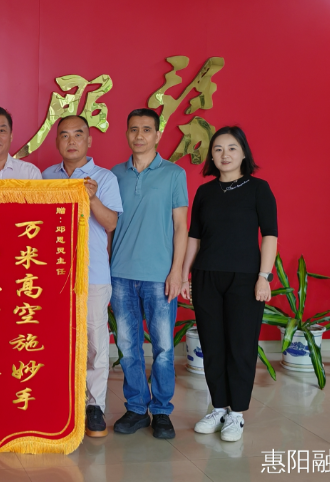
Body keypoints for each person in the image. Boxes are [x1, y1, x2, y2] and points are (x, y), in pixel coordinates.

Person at [180, 126, 277, 442]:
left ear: (244, 153)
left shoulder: (258, 189)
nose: (225, 155)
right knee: (212, 345)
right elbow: (194, 238)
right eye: (218, 149)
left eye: (232, 148)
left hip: (245, 279)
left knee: (240, 345)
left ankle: (237, 414)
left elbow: (270, 236)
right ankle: (219, 407)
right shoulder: (205, 192)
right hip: (206, 276)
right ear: (211, 155)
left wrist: (264, 277)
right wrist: (185, 275)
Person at [42, 115, 122, 438]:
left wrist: (92, 198)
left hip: (93, 273)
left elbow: (111, 223)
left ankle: (94, 405)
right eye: (64, 135)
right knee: (54, 338)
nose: (71, 141)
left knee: (94, 342)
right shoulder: (46, 177)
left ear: (89, 140)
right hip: (53, 274)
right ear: (57, 142)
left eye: (78, 135)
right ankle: (58, 399)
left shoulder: (105, 178)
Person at [110, 108, 188, 440]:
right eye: (133, 129)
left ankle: (162, 411)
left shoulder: (174, 174)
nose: (139, 135)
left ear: (158, 134)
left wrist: (176, 272)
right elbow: (109, 225)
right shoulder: (114, 174)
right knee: (128, 346)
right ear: (126, 133)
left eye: (146, 129)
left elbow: (181, 226)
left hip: (159, 275)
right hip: (120, 274)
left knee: (164, 348)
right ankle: (136, 408)